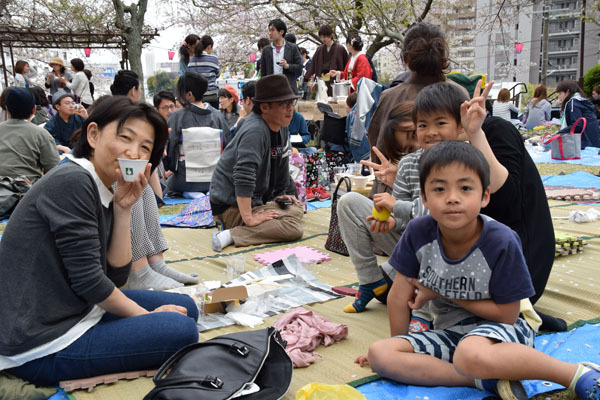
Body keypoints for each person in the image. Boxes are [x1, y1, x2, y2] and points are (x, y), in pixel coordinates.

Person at [358, 140, 600, 400]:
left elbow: (507, 315)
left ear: (484, 196)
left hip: (504, 329)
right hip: (450, 333)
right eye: (439, 189)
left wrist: (445, 295)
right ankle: (482, 381)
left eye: (465, 188)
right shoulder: (418, 233)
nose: (452, 198)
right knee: (380, 354)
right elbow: (397, 298)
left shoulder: (500, 240)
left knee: (470, 353)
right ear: (424, 198)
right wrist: (402, 347)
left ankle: (575, 374)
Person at [0, 96, 199, 386]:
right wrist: (147, 319)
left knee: (187, 308)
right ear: (93, 135)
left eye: (144, 147)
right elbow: (91, 283)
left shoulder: (103, 183)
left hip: (75, 308)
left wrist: (123, 211)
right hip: (38, 340)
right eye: (125, 137)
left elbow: (116, 276)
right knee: (180, 330)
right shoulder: (73, 181)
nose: (133, 152)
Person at [364, 81, 563, 331]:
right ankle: (380, 288)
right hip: (450, 273)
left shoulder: (485, 142)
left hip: (506, 270)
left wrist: (476, 132)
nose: (431, 132)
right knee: (384, 353)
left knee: (472, 350)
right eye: (423, 125)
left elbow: (506, 196)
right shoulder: (420, 172)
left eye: (441, 122)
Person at [337, 101, 422, 315]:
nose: (415, 148)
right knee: (348, 202)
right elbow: (405, 217)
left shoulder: (450, 160)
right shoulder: (409, 164)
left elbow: (439, 217)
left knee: (395, 299)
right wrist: (392, 220)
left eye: (415, 134)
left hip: (437, 250)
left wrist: (396, 205)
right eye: (407, 149)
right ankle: (369, 281)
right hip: (410, 245)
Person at [367, 22, 466, 196]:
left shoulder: (390, 97)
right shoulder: (460, 94)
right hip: (453, 195)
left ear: (405, 59)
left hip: (392, 196)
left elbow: (378, 153)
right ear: (444, 56)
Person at [209, 74, 303, 251]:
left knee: (296, 209)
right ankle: (231, 234)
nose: (290, 109)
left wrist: (281, 195)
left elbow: (282, 164)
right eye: (284, 104)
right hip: (231, 205)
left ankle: (247, 226)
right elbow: (244, 175)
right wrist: (249, 218)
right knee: (293, 227)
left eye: (292, 103)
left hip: (258, 200)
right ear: (265, 107)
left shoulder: (282, 126)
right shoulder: (255, 130)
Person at [164, 71, 231, 195]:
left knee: (166, 184)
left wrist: (171, 167)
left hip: (184, 180)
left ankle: (189, 193)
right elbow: (229, 147)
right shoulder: (218, 116)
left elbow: (169, 149)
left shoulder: (176, 117)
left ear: (189, 94)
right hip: (215, 180)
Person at [0, 88, 59, 182]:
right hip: (27, 191)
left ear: (7, 108)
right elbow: (54, 170)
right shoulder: (41, 134)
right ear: (34, 109)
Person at [260, 19, 303, 94]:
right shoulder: (266, 50)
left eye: (272, 30)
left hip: (288, 89)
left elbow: (299, 66)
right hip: (271, 89)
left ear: (281, 32)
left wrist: (288, 66)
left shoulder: (292, 48)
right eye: (269, 30)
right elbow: (263, 73)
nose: (270, 33)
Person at [304, 25, 349, 96]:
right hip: (321, 80)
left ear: (331, 35)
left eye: (325, 37)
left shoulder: (340, 49)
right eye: (321, 37)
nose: (323, 39)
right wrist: (306, 78)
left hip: (335, 80)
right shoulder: (320, 49)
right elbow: (313, 64)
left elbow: (346, 65)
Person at [556, 80, 600, 149]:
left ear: (568, 92)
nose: (559, 97)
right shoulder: (582, 100)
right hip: (594, 142)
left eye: (560, 93)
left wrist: (558, 134)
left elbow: (576, 125)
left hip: (585, 144)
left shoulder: (573, 102)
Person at [187, 35, 220, 109]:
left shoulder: (192, 60)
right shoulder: (213, 59)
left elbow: (190, 76)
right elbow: (217, 74)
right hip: (212, 96)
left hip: (197, 97)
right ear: (209, 46)